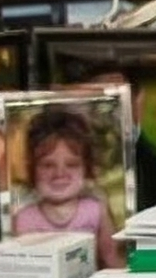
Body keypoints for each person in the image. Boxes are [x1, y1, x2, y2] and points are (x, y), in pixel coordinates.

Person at [9, 106, 123, 266]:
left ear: (87, 167)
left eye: (72, 164)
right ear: (32, 169)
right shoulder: (24, 220)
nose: (59, 174)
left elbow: (113, 260)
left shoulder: (96, 211)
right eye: (48, 165)